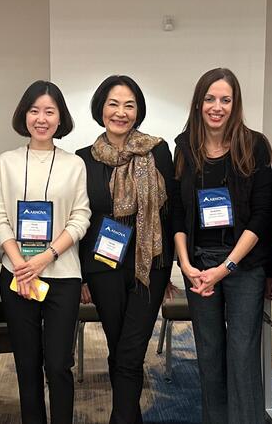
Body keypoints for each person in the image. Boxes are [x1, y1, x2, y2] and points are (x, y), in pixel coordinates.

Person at [172, 68, 272, 424]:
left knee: (242, 354)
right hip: (198, 268)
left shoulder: (255, 145)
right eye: (211, 99)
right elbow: (178, 215)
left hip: (242, 267)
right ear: (199, 102)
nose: (217, 107)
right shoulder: (183, 148)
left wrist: (226, 267)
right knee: (210, 354)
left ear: (235, 104)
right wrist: (186, 266)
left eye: (225, 100)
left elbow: (262, 216)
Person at [0, 80, 90, 423]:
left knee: (59, 364)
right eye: (34, 111)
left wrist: (46, 257)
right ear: (24, 115)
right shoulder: (6, 162)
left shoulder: (74, 164)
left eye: (49, 111)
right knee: (26, 362)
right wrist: (19, 263)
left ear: (60, 118)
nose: (41, 118)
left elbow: (80, 217)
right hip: (17, 275)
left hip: (62, 274)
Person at [76, 75, 175, 424]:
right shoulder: (83, 159)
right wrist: (83, 277)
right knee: (118, 349)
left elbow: (171, 209)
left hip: (151, 266)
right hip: (103, 267)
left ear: (138, 111)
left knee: (130, 352)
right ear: (101, 109)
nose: (121, 112)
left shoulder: (158, 150)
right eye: (113, 104)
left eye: (129, 104)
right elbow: (80, 221)